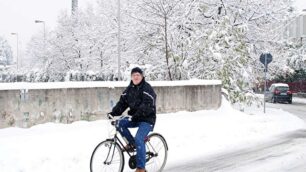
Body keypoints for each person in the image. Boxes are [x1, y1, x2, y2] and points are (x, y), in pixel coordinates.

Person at [108, 67, 156, 172]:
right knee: (119, 123)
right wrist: (113, 113)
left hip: (147, 119)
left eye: (138, 75)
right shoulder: (129, 90)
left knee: (139, 138)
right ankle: (132, 143)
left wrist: (137, 115)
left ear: (142, 76)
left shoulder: (147, 88)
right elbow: (122, 104)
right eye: (134, 75)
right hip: (135, 117)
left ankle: (141, 168)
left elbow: (148, 104)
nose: (136, 77)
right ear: (131, 77)